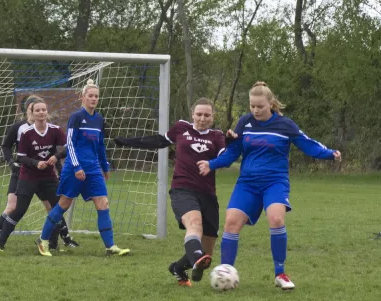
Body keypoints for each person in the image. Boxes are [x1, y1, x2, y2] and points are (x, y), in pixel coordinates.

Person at [197, 81, 342, 290]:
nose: (255, 110)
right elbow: (232, 153)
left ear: (271, 104)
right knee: (230, 223)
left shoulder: (285, 125)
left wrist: (330, 153)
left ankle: (280, 273)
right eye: (252, 106)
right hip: (247, 183)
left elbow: (307, 143)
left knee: (276, 219)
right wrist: (212, 164)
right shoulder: (245, 123)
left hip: (275, 182)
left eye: (260, 106)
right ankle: (226, 272)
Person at [115, 98, 227, 286]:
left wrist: (217, 159)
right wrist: (128, 141)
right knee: (194, 224)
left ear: (213, 117)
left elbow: (226, 156)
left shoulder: (217, 136)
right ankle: (197, 258)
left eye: (207, 115)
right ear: (192, 115)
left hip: (208, 194)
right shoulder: (182, 128)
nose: (202, 118)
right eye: (199, 114)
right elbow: (159, 141)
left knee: (208, 252)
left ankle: (178, 267)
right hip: (182, 189)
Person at [36, 79, 130, 257]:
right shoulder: (76, 117)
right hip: (74, 168)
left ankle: (110, 246)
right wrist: (77, 166)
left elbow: (100, 144)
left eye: (96, 96)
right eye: (90, 96)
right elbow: (69, 144)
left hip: (93, 168)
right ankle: (43, 240)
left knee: (103, 203)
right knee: (64, 204)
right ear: (83, 97)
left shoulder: (100, 119)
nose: (94, 99)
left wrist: (105, 165)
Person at [0, 95, 79, 251]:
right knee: (17, 209)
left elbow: (67, 147)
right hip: (27, 176)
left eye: (43, 109)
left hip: (48, 177)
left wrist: (55, 158)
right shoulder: (25, 132)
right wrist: (34, 163)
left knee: (56, 209)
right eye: (38, 110)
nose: (41, 112)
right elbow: (20, 156)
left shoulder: (55, 130)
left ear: (47, 112)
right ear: (31, 112)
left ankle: (54, 243)